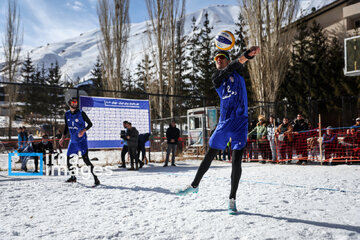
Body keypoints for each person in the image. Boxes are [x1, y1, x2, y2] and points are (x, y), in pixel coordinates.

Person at [177, 46, 260, 214]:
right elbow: (231, 67)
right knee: (209, 155)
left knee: (236, 161)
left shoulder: (238, 73)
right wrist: (243, 56)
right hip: (224, 122)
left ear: (228, 59)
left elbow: (237, 64)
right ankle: (194, 186)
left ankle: (232, 199)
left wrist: (247, 56)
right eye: (216, 59)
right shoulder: (217, 78)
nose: (219, 60)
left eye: (222, 57)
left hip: (240, 122)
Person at [59, 97, 100, 186]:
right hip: (73, 141)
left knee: (86, 161)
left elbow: (90, 124)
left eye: (76, 102)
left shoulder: (81, 113)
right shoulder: (67, 114)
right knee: (68, 160)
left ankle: (96, 179)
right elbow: (66, 127)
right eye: (73, 102)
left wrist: (83, 131)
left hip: (82, 141)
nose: (75, 104)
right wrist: (62, 138)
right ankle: (73, 177)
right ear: (69, 103)